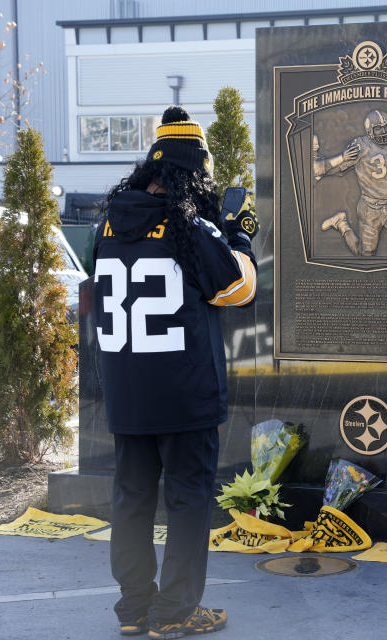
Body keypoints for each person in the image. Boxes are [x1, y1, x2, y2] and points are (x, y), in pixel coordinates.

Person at [92, 106, 258, 638]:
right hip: (184, 394)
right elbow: (239, 289)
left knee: (132, 501)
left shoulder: (109, 222)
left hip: (127, 393)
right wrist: (239, 235)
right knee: (187, 503)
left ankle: (135, 610)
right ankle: (175, 613)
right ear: (192, 173)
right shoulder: (191, 227)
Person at [316, 109, 387, 257]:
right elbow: (340, 168)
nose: (384, 132)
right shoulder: (360, 146)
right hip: (370, 208)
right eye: (379, 128)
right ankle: (342, 224)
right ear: (369, 131)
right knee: (365, 254)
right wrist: (323, 168)